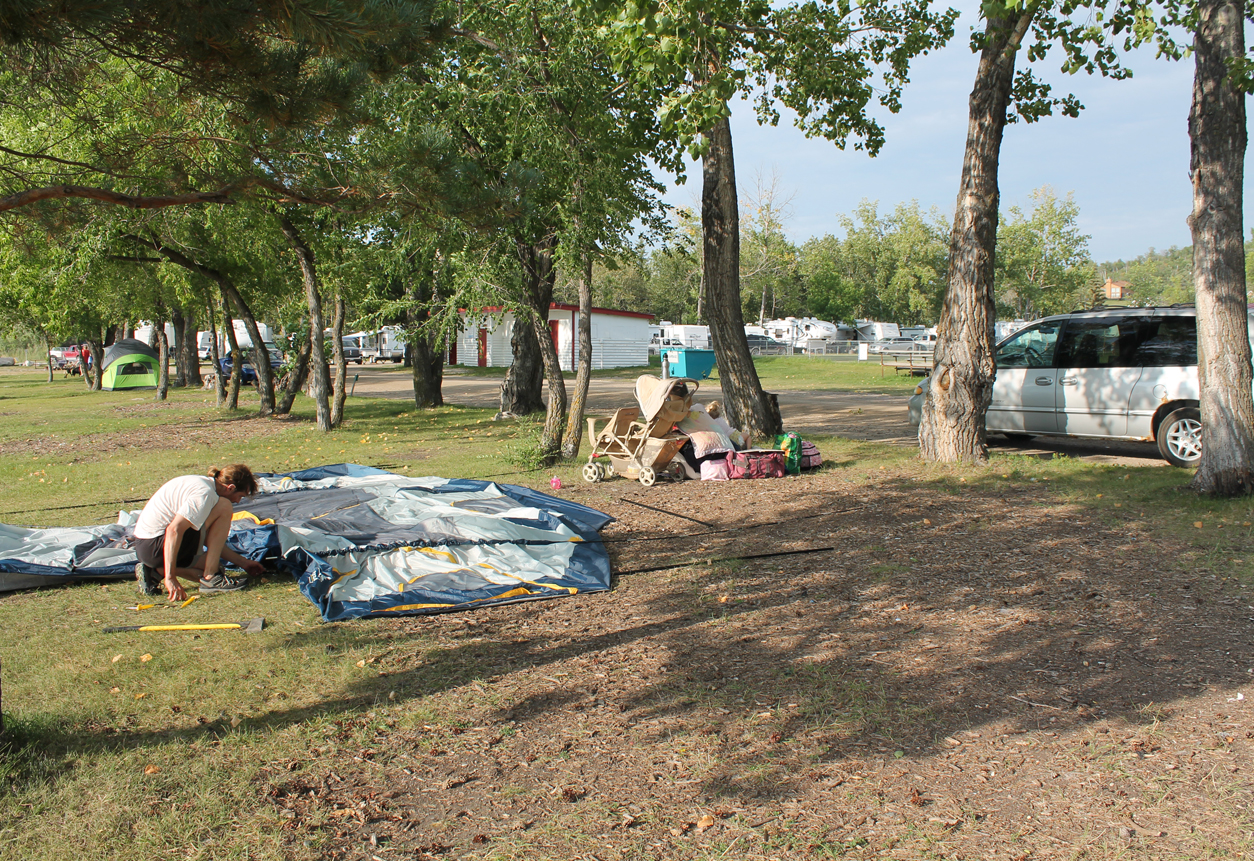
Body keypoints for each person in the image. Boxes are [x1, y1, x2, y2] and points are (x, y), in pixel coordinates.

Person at [133, 464, 266, 600]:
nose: (237, 501)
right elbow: (174, 530)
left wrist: (243, 563)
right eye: (240, 496)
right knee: (224, 506)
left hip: (146, 547)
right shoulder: (205, 494)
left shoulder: (204, 484)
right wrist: (170, 577)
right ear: (230, 487)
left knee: (216, 568)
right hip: (154, 546)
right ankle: (211, 577)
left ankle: (155, 571)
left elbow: (210, 539)